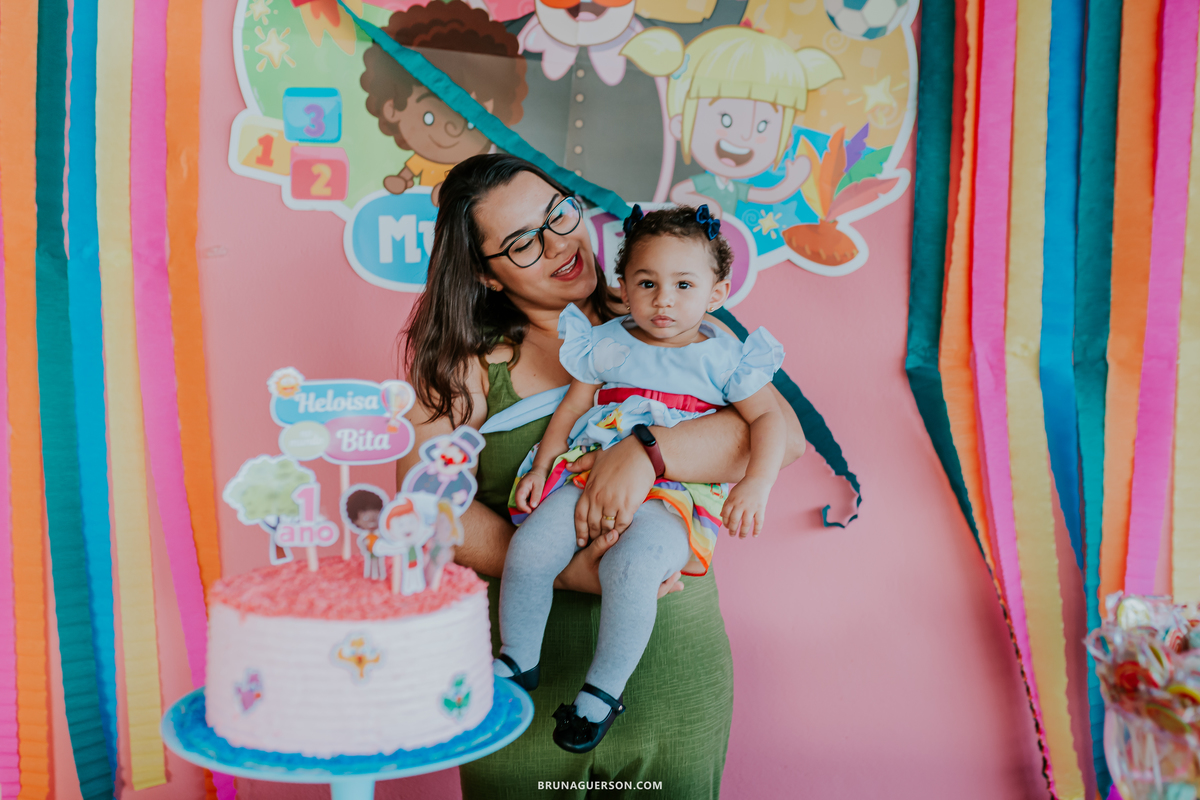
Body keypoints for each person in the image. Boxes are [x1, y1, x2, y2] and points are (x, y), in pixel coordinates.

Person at [397, 153, 806, 799]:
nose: (560, 243)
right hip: (525, 684)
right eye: (523, 242)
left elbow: (782, 438)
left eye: (559, 214)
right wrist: (565, 571)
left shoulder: (668, 310)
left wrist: (646, 452)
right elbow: (429, 506)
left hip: (672, 669)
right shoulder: (463, 364)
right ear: (485, 273)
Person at [499, 204, 787, 753]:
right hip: (591, 474)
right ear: (624, 287)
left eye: (684, 285)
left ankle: (600, 695)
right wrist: (541, 466)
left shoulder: (725, 357)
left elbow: (770, 421)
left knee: (632, 570)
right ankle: (517, 658)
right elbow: (571, 408)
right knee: (531, 546)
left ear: (717, 294)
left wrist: (757, 483)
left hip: (676, 496)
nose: (664, 300)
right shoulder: (606, 342)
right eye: (647, 283)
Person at [621, 25, 843, 219]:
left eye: (762, 126)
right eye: (726, 120)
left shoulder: (734, 188)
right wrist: (707, 206)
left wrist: (792, 181)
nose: (744, 136)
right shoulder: (705, 184)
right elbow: (680, 193)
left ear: (785, 141)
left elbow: (769, 195)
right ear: (680, 124)